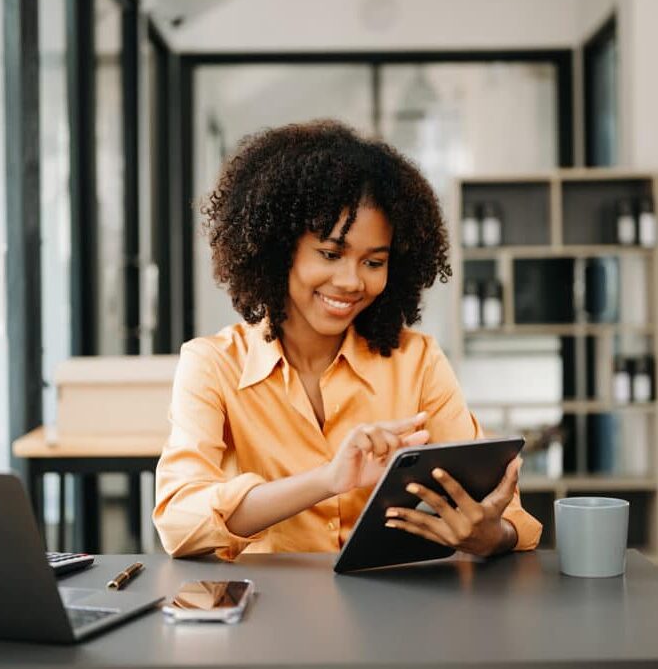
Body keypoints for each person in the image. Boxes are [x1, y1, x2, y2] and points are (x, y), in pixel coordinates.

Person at [153, 119, 542, 561]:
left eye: (373, 262)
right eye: (330, 254)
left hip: (394, 609)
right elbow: (179, 522)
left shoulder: (418, 361)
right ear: (280, 250)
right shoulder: (213, 365)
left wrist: (493, 535)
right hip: (264, 611)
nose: (350, 281)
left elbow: (510, 517)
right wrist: (328, 479)